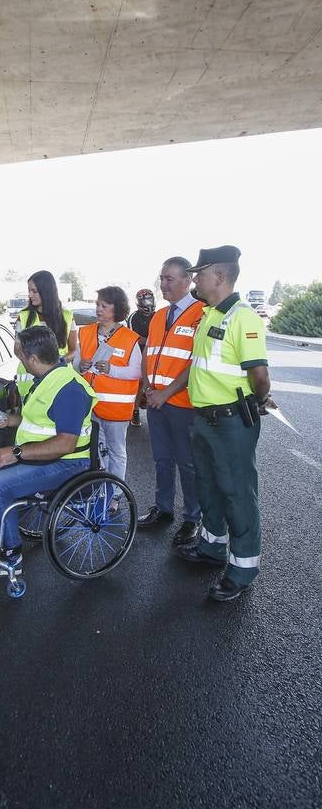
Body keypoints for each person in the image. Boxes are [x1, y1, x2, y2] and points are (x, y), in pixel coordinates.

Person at [177, 246, 272, 602]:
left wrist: (259, 400)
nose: (195, 279)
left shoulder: (242, 317)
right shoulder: (210, 314)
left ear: (218, 276)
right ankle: (212, 548)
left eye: (199, 273)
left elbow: (259, 374)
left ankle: (242, 569)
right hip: (204, 418)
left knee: (237, 493)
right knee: (209, 487)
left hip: (231, 420)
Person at [0, 326, 96, 577]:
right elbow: (36, 419)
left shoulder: (70, 389)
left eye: (22, 357)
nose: (20, 362)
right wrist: (9, 420)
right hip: (40, 455)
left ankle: (11, 556)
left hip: (68, 461)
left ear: (34, 359)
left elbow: (65, 444)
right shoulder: (46, 378)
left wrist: (16, 452)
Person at [138, 257, 204, 546]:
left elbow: (196, 362)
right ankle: (163, 509)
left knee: (187, 462)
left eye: (169, 279)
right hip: (156, 401)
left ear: (187, 281)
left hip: (182, 403)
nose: (162, 284)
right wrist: (148, 388)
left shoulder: (201, 314)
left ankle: (192, 518)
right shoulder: (158, 316)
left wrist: (166, 393)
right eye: (161, 278)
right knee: (161, 459)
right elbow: (148, 354)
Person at [75, 286, 141, 481]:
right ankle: (102, 492)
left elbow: (137, 371)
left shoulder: (129, 338)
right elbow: (75, 364)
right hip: (91, 406)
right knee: (97, 451)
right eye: (97, 304)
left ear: (117, 308)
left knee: (116, 453)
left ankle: (116, 495)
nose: (98, 309)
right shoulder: (86, 333)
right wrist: (81, 365)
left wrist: (112, 370)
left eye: (104, 305)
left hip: (116, 410)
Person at [14, 270, 77, 399]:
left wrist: (57, 363)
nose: (30, 295)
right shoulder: (23, 317)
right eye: (29, 290)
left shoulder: (67, 316)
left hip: (60, 380)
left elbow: (74, 350)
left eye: (34, 291)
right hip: (30, 384)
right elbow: (17, 350)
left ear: (46, 291)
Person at [128, 289, 156, 426]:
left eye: (150, 300)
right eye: (145, 301)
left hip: (155, 355)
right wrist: (152, 340)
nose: (148, 304)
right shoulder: (134, 317)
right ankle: (135, 411)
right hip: (138, 355)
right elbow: (136, 339)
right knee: (140, 384)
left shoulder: (158, 316)